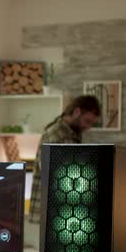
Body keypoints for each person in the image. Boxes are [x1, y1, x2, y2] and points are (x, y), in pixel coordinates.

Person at [28, 95, 101, 223]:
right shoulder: (56, 134)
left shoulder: (72, 134)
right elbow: (56, 173)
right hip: (51, 210)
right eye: (87, 121)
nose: (88, 127)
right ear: (77, 112)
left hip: (59, 209)